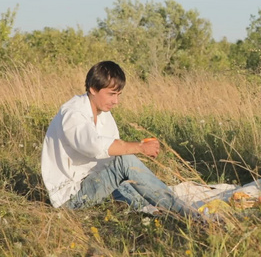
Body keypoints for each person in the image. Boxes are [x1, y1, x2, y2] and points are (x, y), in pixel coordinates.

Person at [41, 61, 197, 216]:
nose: (116, 101)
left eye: (118, 94)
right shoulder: (73, 113)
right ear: (93, 89)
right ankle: (187, 214)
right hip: (70, 197)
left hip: (94, 181)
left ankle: (159, 210)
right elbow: (93, 146)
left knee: (129, 177)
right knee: (125, 161)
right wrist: (140, 147)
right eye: (111, 94)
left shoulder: (104, 114)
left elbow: (113, 159)